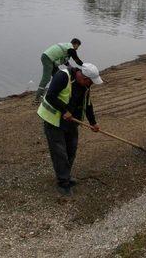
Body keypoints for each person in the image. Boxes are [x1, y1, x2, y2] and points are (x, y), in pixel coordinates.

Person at [37, 62, 103, 196]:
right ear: (84, 77)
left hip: (72, 122)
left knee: (71, 150)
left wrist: (93, 123)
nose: (91, 85)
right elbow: (50, 96)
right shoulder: (62, 76)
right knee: (60, 152)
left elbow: (88, 104)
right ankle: (63, 183)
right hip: (54, 121)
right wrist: (64, 110)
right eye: (90, 82)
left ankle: (65, 176)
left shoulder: (86, 86)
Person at [34, 38, 83, 103]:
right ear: (75, 44)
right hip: (48, 58)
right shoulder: (71, 49)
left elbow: (64, 59)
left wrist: (70, 66)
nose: (77, 48)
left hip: (49, 58)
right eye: (78, 46)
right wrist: (84, 66)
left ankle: (52, 93)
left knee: (58, 76)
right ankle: (37, 98)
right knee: (46, 78)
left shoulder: (66, 46)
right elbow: (77, 60)